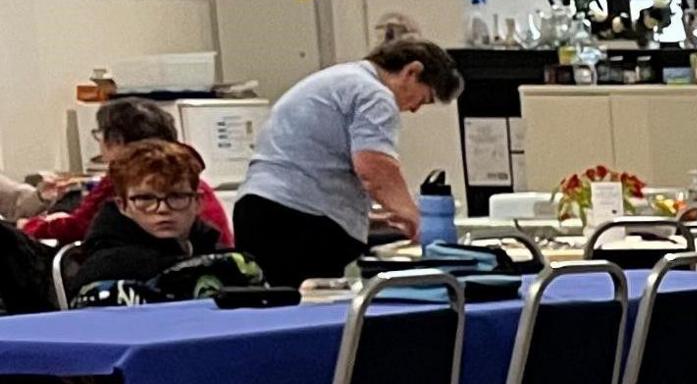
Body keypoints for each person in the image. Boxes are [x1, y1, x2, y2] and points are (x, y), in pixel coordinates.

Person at [233, 33, 459, 288]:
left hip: (260, 207)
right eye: (424, 98)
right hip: (300, 221)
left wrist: (372, 216)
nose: (415, 108)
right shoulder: (375, 95)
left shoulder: (339, 79)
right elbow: (375, 169)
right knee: (310, 312)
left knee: (272, 306)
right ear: (411, 72)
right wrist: (416, 218)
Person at [20, 99, 229, 250]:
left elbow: (79, 227)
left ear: (117, 140)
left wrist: (29, 226)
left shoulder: (127, 178)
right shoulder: (189, 171)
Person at [62, 142, 226, 299]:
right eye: (145, 198)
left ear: (197, 202)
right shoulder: (104, 268)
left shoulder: (214, 251)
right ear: (123, 205)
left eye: (176, 196)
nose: (162, 209)